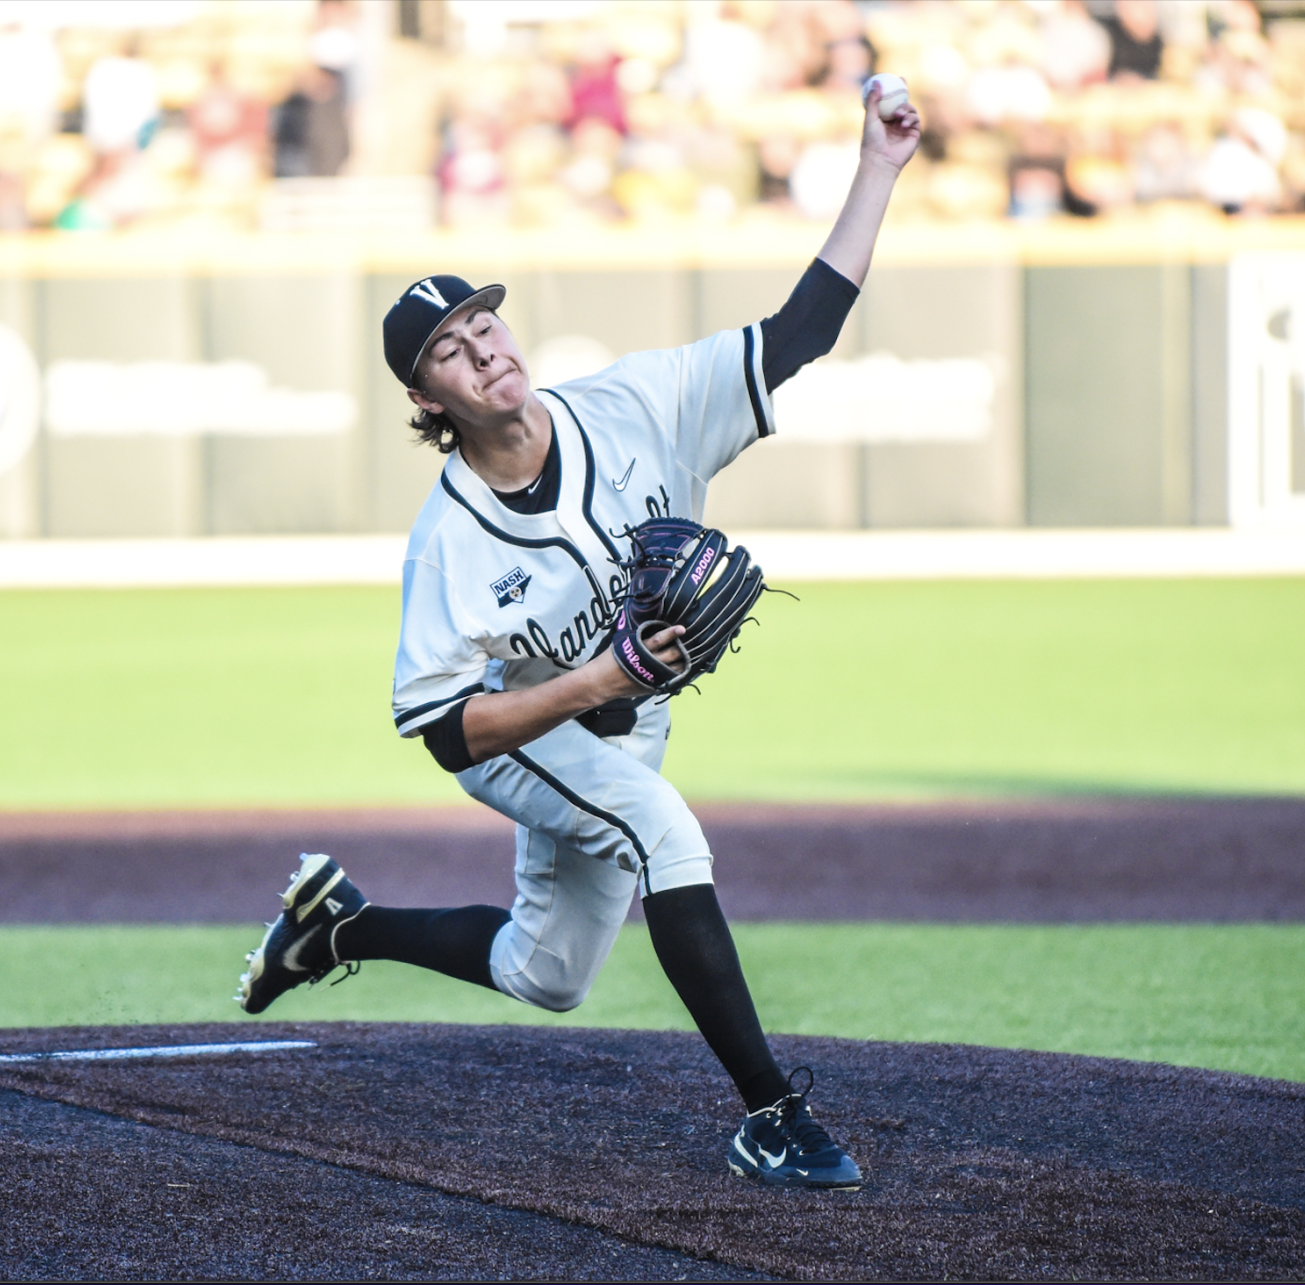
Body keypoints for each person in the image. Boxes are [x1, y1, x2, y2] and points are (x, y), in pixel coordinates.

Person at [238, 82, 920, 1190]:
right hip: (523, 732)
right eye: (451, 352)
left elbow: (801, 332)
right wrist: (600, 675)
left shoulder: (633, 404)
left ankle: (334, 930)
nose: (483, 351)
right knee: (667, 837)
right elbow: (446, 735)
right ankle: (774, 1115)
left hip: (622, 715)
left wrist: (876, 169)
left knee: (546, 971)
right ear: (430, 402)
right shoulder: (448, 540)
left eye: (483, 324)